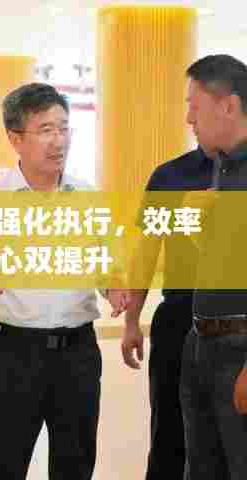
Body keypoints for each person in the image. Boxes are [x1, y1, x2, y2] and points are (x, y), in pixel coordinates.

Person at [0, 83, 130, 480]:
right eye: (46, 130)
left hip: (77, 355)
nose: (58, 140)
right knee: (1, 465)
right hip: (11, 354)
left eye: (64, 128)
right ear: (15, 138)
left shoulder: (88, 196)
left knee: (75, 465)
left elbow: (106, 264)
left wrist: (114, 288)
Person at [122, 144, 215, 480]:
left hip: (236, 321)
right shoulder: (169, 175)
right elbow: (146, 251)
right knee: (169, 431)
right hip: (179, 318)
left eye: (197, 114)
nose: (191, 119)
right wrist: (132, 321)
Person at [179, 54, 247, 480]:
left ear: (228, 106)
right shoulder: (224, 165)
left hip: (240, 351)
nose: (189, 118)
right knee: (203, 467)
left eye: (194, 106)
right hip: (202, 343)